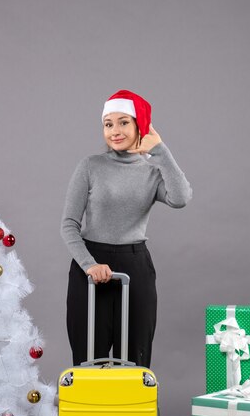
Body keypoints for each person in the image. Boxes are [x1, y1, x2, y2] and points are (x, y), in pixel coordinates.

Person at [61, 89, 192, 367]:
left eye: (124, 122)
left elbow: (181, 198)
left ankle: (131, 410)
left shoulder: (152, 171)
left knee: (136, 355)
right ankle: (90, 410)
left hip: (135, 263)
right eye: (108, 124)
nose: (115, 131)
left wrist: (160, 150)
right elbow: (69, 225)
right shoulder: (90, 166)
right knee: (88, 357)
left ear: (139, 127)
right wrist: (89, 265)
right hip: (91, 265)